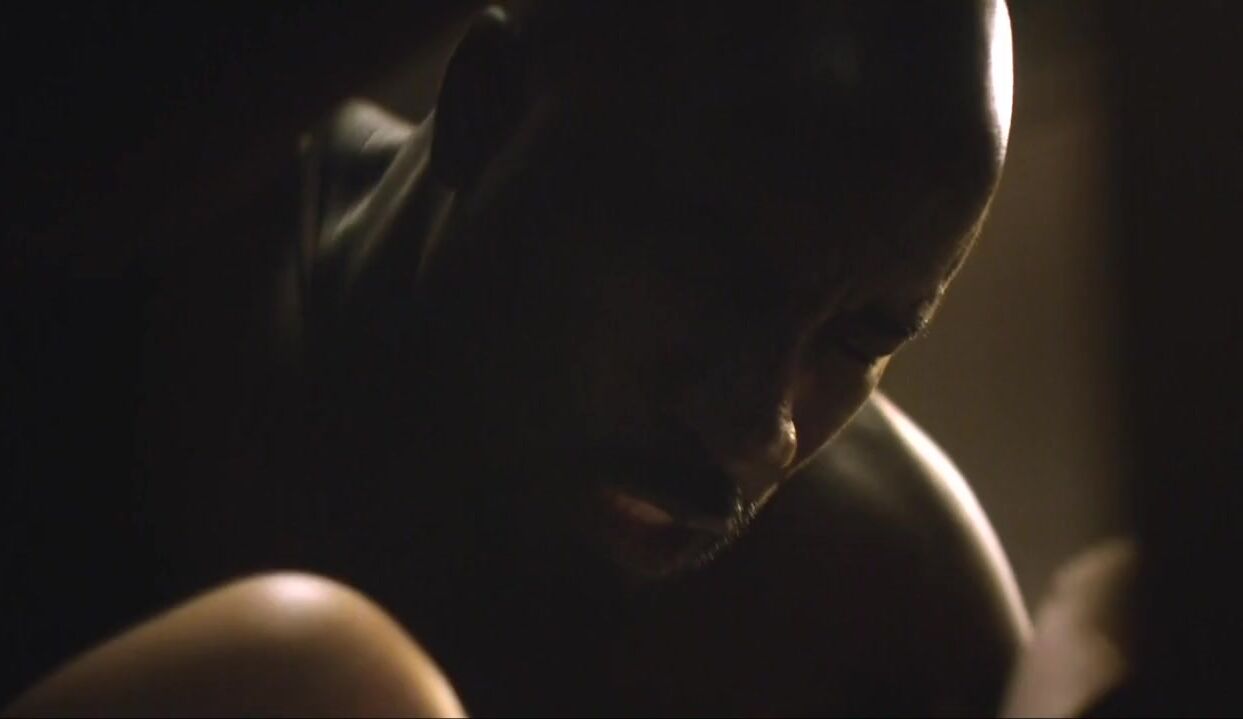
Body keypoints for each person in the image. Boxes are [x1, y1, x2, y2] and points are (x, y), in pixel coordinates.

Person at [7, 1, 1028, 715]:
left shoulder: (891, 616)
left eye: (862, 337)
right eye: (708, 277)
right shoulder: (114, 290)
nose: (764, 429)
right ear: (485, 111)